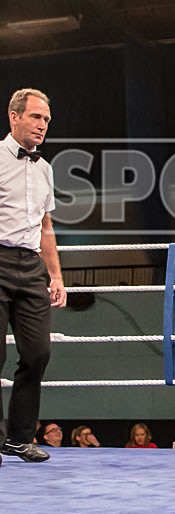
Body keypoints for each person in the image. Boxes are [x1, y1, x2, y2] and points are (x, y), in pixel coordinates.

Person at [0, 88, 67, 466]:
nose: (43, 125)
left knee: (38, 352)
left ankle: (19, 438)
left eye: (46, 120)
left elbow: (46, 225)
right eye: (36, 117)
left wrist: (55, 276)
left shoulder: (44, 168)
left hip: (31, 268)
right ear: (14, 116)